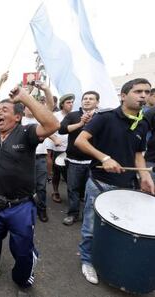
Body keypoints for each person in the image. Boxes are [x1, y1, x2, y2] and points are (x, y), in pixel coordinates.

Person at [0, 86, 59, 297]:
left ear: (18, 117)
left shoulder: (27, 133)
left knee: (22, 249)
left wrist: (25, 97)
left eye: (5, 109)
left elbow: (52, 124)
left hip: (20, 207)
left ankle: (22, 280)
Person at [75, 78, 154, 285]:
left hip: (127, 184)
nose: (143, 96)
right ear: (123, 95)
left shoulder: (144, 122)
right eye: (138, 91)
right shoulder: (105, 117)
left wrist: (144, 177)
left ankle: (109, 260)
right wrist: (104, 158)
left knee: (119, 227)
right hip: (101, 182)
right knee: (91, 225)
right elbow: (80, 141)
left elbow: (138, 154)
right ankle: (86, 260)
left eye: (146, 92)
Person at [59, 91, 99, 226]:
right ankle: (73, 214)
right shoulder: (72, 115)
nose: (87, 101)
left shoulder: (102, 117)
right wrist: (80, 123)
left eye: (91, 99)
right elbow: (62, 129)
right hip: (74, 161)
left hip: (94, 162)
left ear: (97, 102)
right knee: (73, 189)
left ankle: (90, 217)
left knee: (91, 191)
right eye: (85, 98)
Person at [21, 81, 55, 222]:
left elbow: (51, 105)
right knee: (23, 187)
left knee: (41, 187)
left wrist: (46, 89)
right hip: (23, 158)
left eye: (32, 105)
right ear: (23, 109)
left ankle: (41, 210)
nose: (30, 108)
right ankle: (24, 211)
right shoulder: (18, 120)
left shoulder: (42, 120)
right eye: (27, 106)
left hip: (40, 158)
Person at [47, 94, 74, 203]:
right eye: (68, 102)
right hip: (58, 149)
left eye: (72, 102)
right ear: (62, 104)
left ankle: (73, 194)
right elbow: (48, 128)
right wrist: (54, 139)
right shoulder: (55, 115)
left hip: (72, 149)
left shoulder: (75, 115)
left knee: (70, 174)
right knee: (57, 172)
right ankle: (55, 191)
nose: (71, 104)